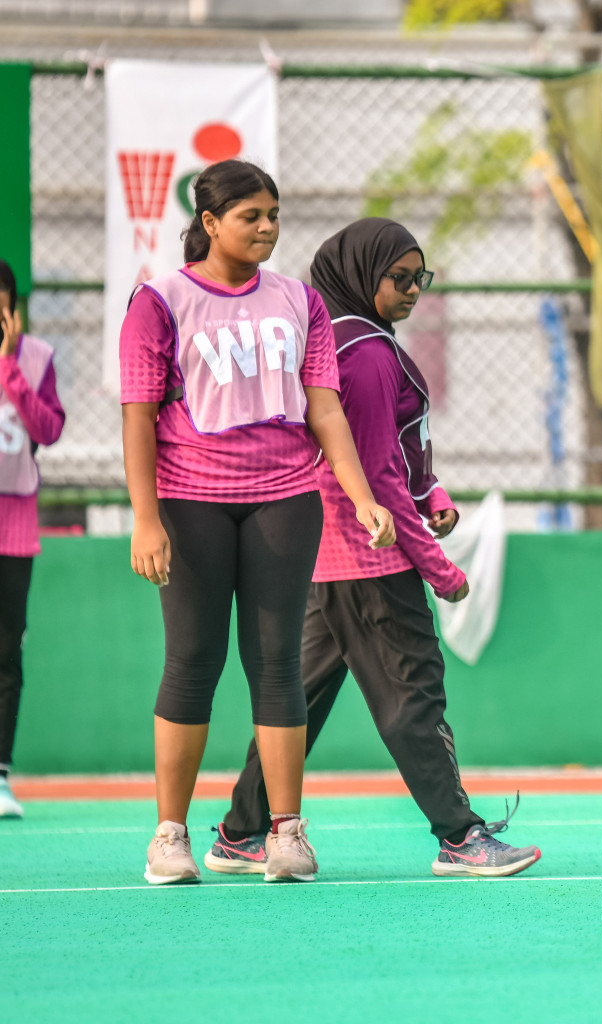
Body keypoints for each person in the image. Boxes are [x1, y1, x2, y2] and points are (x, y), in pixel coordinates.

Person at [203, 218, 540, 878]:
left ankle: (241, 833)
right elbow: (376, 478)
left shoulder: (345, 341)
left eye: (422, 278)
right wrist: (438, 567)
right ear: (362, 277)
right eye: (399, 278)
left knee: (297, 701)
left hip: (323, 555)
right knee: (414, 698)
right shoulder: (364, 354)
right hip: (370, 557)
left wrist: (433, 493)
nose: (413, 289)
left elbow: (394, 456)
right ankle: (460, 836)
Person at [120, 160, 396, 885]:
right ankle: (170, 837)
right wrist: (145, 518)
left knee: (277, 664)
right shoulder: (160, 300)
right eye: (251, 216)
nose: (268, 227)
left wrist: (362, 496)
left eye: (274, 214)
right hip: (190, 501)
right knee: (192, 661)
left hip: (284, 497)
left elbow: (325, 408)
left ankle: (285, 834)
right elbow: (139, 418)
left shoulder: (299, 303)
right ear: (210, 223)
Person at [0, 259, 66, 820]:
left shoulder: (36, 358)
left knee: (5, 652)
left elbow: (47, 430)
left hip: (13, 525)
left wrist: (9, 370)